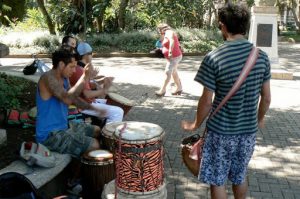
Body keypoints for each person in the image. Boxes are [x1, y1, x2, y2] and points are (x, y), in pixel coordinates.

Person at [181, 4, 271, 199]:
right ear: (246, 26)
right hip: (247, 132)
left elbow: (206, 101)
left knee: (217, 179)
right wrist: (259, 118)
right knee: (239, 176)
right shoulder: (261, 57)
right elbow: (267, 98)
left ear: (222, 26)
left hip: (220, 132)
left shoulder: (214, 57)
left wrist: (195, 124)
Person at [36, 48, 106, 158]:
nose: (74, 71)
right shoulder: (48, 78)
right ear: (61, 64)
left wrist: (95, 109)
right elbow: (67, 99)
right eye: (72, 67)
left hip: (64, 127)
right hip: (49, 135)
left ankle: (86, 164)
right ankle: (82, 171)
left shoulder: (64, 78)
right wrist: (84, 76)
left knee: (97, 130)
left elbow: (73, 98)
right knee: (94, 145)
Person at [69, 42, 124, 123]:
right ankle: (107, 133)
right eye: (91, 53)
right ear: (86, 55)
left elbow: (85, 86)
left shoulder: (80, 68)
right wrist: (104, 90)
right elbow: (87, 94)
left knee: (112, 103)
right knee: (118, 112)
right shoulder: (79, 70)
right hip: (82, 105)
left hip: (87, 101)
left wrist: (101, 81)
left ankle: (103, 126)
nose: (92, 56)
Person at [155, 23, 183, 96]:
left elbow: (172, 40)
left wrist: (170, 51)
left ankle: (162, 90)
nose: (158, 31)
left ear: (162, 28)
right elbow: (162, 41)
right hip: (173, 57)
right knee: (174, 73)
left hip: (174, 56)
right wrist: (162, 34)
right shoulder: (165, 33)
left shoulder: (169, 32)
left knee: (167, 72)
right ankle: (179, 88)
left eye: (159, 29)